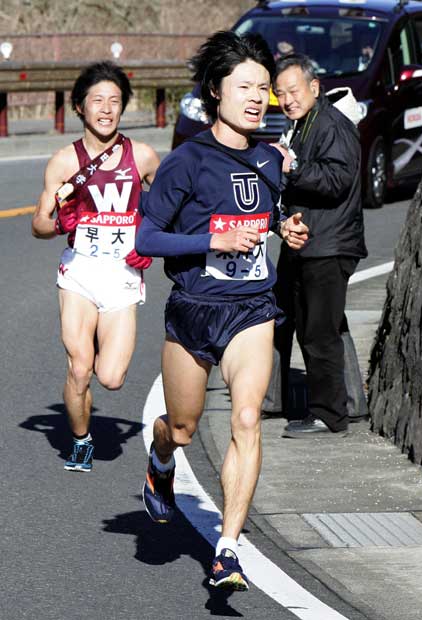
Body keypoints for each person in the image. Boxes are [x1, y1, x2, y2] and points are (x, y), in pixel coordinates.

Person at [135, 31, 308, 591]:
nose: (258, 98)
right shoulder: (186, 160)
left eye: (264, 88)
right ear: (216, 91)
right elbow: (147, 236)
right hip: (193, 309)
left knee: (247, 418)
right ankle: (160, 466)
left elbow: (268, 214)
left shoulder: (270, 157)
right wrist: (211, 240)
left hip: (251, 308)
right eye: (245, 87)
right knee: (181, 429)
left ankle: (228, 548)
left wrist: (287, 228)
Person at [31, 61, 160, 472]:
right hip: (80, 274)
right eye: (97, 101)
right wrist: (59, 220)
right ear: (80, 108)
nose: (106, 109)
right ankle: (82, 440)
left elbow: (170, 207)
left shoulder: (141, 156)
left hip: (123, 277)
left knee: (111, 377)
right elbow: (39, 224)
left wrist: (149, 237)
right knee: (80, 367)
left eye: (115, 101)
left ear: (123, 109)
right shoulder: (64, 161)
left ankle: (100, 339)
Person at [271, 53, 367, 438]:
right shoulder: (302, 124)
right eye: (281, 94)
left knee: (318, 331)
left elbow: (338, 180)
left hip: (328, 244)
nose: (288, 99)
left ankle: (329, 414)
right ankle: (345, 404)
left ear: (314, 87)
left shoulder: (331, 124)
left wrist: (292, 168)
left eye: (294, 91)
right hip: (309, 241)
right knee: (312, 323)